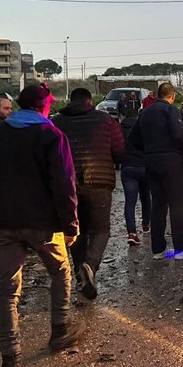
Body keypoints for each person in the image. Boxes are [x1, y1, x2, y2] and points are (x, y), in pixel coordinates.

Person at [0, 84, 83, 367]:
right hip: (42, 224)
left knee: (7, 291)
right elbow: (64, 184)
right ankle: (59, 331)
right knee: (61, 272)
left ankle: (10, 362)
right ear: (45, 106)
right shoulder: (51, 135)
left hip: (2, 224)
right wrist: (71, 225)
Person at [52, 88, 124, 299]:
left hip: (68, 186)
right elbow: (120, 151)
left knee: (77, 230)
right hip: (99, 183)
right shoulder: (105, 120)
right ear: (90, 101)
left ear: (70, 100)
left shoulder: (57, 122)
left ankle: (79, 275)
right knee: (101, 230)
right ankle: (90, 266)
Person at [129, 82, 183, 260]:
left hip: (151, 162)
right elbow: (179, 134)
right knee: (178, 204)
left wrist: (149, 150)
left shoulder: (145, 112)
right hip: (171, 161)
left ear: (157, 95)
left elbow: (133, 138)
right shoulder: (170, 110)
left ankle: (158, 249)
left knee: (158, 205)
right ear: (172, 96)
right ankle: (180, 247)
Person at [120, 108, 151, 246]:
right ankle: (146, 224)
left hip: (128, 167)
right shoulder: (143, 128)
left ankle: (132, 233)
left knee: (130, 201)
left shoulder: (119, 129)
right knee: (146, 196)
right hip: (144, 166)